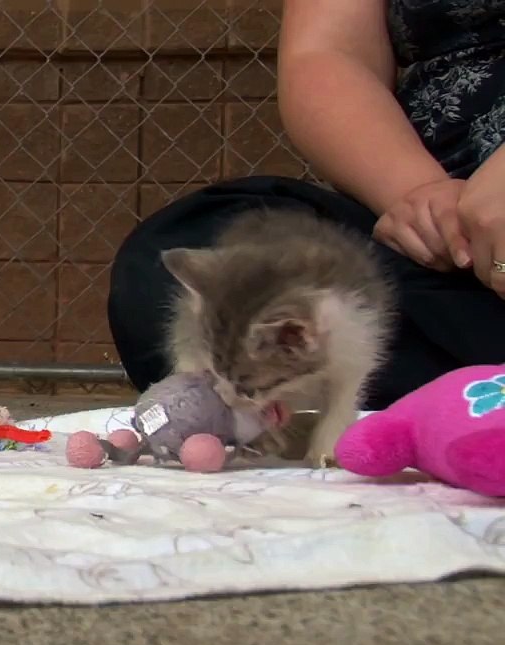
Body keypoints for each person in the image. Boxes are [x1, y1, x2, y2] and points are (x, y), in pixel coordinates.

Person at [106, 0, 505, 409]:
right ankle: (462, 402)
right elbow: (329, 53)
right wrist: (421, 200)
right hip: (441, 258)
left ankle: (445, 407)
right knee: (175, 258)